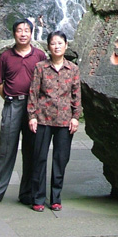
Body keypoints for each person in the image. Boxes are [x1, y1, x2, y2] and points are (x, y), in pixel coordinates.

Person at [0, 18, 47, 205]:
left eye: (26, 30)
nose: (23, 34)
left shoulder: (40, 55)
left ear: (31, 33)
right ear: (14, 33)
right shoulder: (6, 56)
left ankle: (27, 193)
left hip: (34, 108)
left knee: (32, 150)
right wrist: (10, 99)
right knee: (6, 149)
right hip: (13, 105)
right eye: (19, 30)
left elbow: (46, 82)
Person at [28, 30, 81, 212]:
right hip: (43, 118)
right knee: (39, 159)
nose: (57, 46)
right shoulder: (40, 67)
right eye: (53, 43)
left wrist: (76, 117)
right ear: (48, 47)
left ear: (66, 45)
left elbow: (76, 95)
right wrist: (32, 116)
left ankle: (56, 198)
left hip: (65, 121)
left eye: (60, 43)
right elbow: (33, 93)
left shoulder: (73, 69)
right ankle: (38, 198)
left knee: (60, 159)